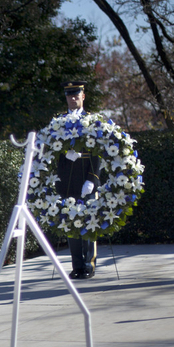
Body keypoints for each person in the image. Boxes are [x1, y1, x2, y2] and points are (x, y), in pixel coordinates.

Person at [55, 81, 101, 279]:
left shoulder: (93, 120)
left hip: (86, 176)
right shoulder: (59, 121)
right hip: (67, 179)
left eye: (76, 95)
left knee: (89, 222)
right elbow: (54, 148)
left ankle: (89, 264)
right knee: (72, 223)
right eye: (69, 95)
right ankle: (77, 265)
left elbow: (98, 153)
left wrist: (92, 179)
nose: (73, 98)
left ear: (83, 96)